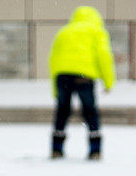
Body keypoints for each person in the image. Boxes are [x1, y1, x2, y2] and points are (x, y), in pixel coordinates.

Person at [48, 6, 116, 160]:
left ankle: (56, 149)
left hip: (62, 76)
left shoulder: (64, 32)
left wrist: (55, 88)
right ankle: (95, 150)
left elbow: (53, 59)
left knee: (62, 111)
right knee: (90, 111)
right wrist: (109, 82)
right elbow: (104, 57)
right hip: (84, 77)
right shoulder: (96, 31)